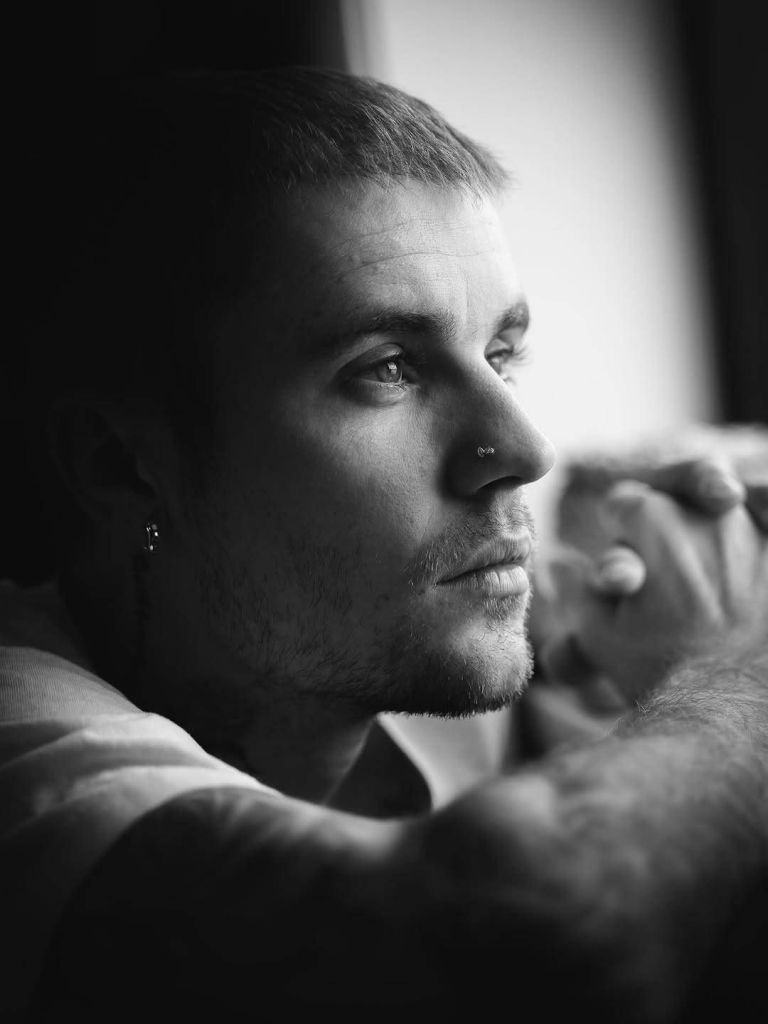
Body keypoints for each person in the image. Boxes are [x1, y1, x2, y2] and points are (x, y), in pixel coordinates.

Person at [1, 67, 766, 1023]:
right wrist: (742, 675)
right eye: (388, 369)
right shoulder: (22, 741)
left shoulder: (413, 622)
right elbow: (530, 928)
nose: (523, 450)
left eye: (501, 354)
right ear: (121, 466)